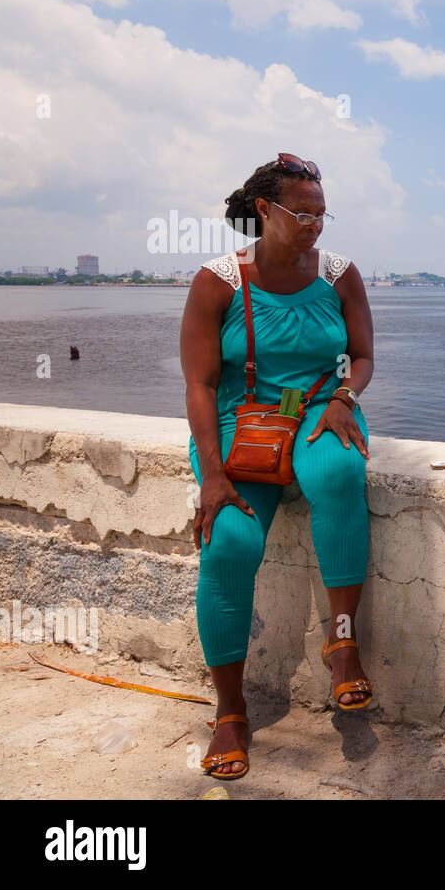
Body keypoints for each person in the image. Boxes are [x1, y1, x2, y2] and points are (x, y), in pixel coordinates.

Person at [179, 153, 375, 781]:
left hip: (322, 410)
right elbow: (201, 384)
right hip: (242, 424)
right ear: (264, 210)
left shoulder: (340, 275)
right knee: (230, 541)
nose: (316, 225)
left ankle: (342, 643)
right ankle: (230, 711)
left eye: (323, 214)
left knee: (339, 474)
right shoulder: (218, 280)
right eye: (302, 213)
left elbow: (364, 356)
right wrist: (212, 474)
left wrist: (345, 397)